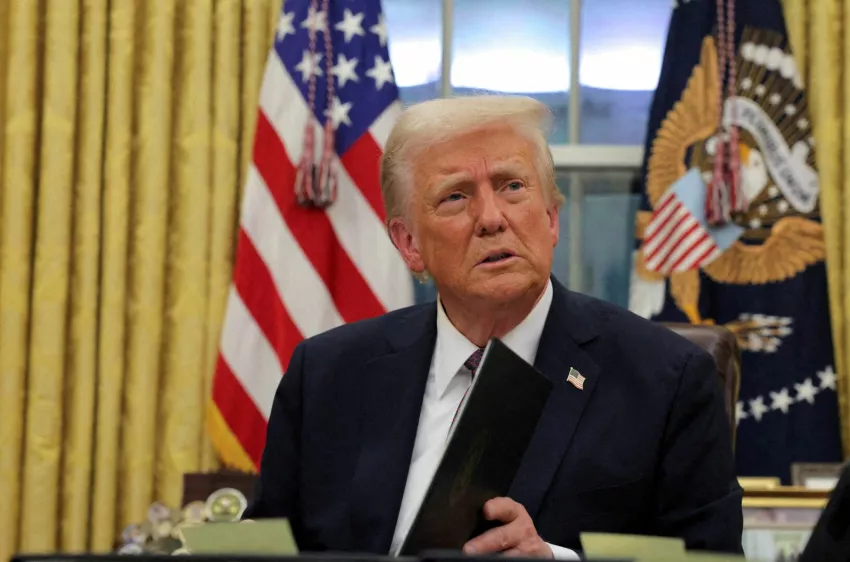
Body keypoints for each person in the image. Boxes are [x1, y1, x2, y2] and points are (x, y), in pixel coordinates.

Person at [243, 95, 744, 558]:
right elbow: (263, 548)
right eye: (455, 197)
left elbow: (708, 557)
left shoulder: (665, 380)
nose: (490, 218)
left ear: (551, 218)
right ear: (409, 243)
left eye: (512, 186)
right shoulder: (328, 375)